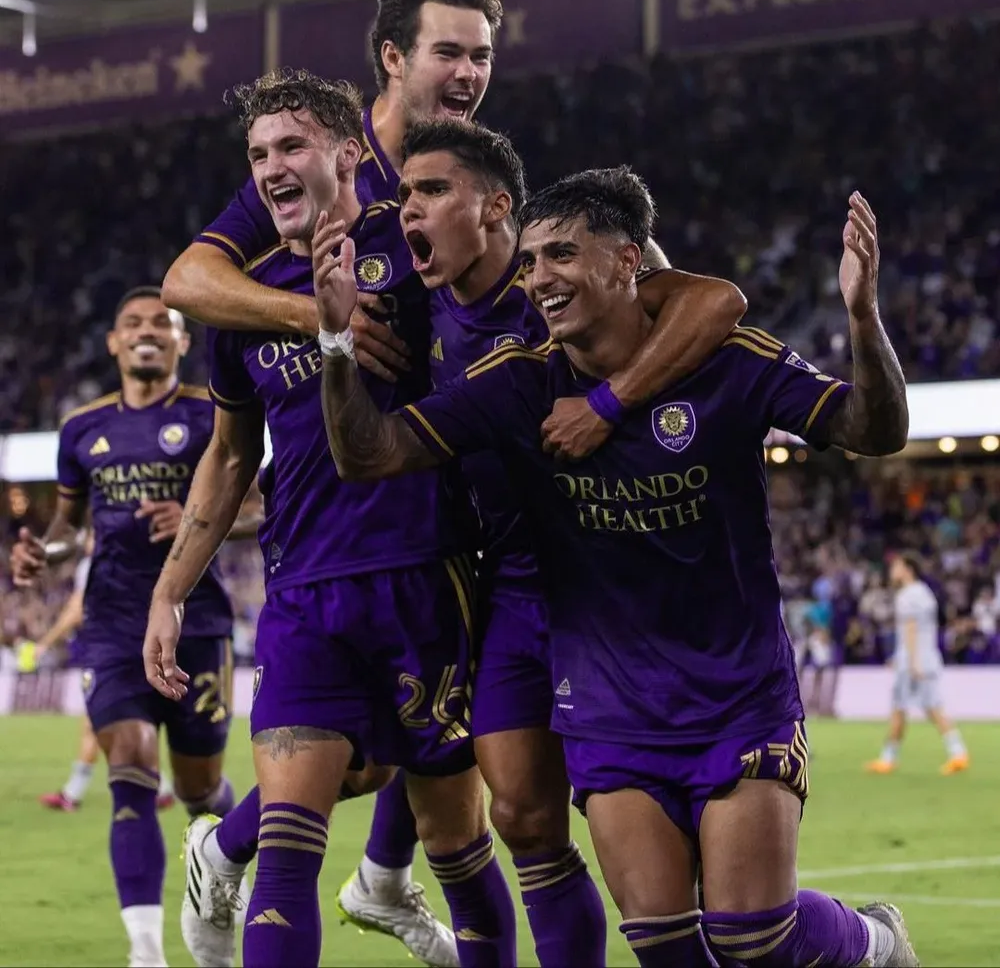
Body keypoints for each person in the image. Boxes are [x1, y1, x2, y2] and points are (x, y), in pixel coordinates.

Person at [158, 0, 746, 963]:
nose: (471, 70)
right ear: (392, 59)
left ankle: (374, 872)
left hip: (464, 570)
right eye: (449, 51)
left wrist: (612, 396)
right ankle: (312, 860)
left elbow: (688, 294)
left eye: (482, 54)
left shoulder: (475, 218)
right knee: (422, 811)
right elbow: (189, 283)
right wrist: (323, 319)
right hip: (330, 572)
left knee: (506, 820)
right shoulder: (320, 191)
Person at [313, 168, 920, 968]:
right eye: (528, 262)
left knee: (750, 938)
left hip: (737, 698)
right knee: (666, 948)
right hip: (609, 712)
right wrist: (334, 342)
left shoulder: (728, 364)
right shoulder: (520, 382)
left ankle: (874, 941)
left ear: (630, 259)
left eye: (562, 253)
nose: (539, 279)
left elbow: (873, 431)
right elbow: (369, 453)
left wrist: (863, 319)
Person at [330, 115, 744, 967]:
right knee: (520, 814)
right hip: (511, 577)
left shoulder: (563, 279)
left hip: (615, 570)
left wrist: (609, 403)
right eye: (405, 193)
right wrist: (330, 331)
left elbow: (716, 301)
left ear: (496, 209)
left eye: (430, 191)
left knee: (671, 840)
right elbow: (370, 443)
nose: (408, 210)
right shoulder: (416, 303)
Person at [143, 69, 517, 968]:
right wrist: (169, 592)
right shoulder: (247, 302)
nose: (271, 167)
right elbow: (231, 457)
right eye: (259, 154)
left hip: (433, 579)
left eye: (291, 148)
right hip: (307, 591)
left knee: (458, 846)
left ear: (350, 155)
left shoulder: (415, 251)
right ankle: (223, 857)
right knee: (288, 846)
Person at [10, 287, 249, 968]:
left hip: (197, 619)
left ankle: (219, 871)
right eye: (133, 323)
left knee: (201, 788)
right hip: (113, 621)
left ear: (181, 342)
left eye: (163, 324)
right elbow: (68, 527)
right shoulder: (81, 428)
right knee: (132, 764)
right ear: (114, 343)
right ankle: (146, 952)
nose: (147, 332)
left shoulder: (214, 413)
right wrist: (43, 553)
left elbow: (262, 503)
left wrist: (203, 517)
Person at [20, 535, 177, 812]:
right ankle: (159, 787)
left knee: (98, 720)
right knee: (121, 720)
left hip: (109, 652)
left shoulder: (95, 565)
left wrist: (44, 643)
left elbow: (76, 610)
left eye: (92, 533)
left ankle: (75, 793)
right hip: (133, 647)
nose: (87, 539)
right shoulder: (133, 557)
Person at [866, 552, 970, 776]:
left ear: (907, 569)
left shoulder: (907, 596)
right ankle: (955, 752)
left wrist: (910, 661)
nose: (892, 571)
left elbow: (911, 629)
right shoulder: (925, 593)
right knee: (914, 707)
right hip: (927, 657)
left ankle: (955, 753)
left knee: (912, 708)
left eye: (896, 567)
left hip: (913, 662)